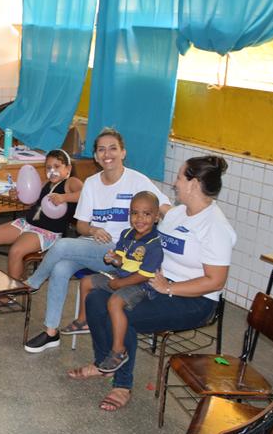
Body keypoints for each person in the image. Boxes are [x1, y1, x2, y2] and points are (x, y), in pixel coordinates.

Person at [71, 156, 236, 412]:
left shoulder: (215, 227)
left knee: (124, 313)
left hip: (194, 300)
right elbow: (145, 234)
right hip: (156, 284)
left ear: (194, 184)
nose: (175, 183)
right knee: (95, 298)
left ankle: (122, 385)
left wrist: (169, 288)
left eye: (179, 177)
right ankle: (105, 363)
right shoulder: (177, 214)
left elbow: (215, 282)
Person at [21, 128, 171, 353]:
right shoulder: (91, 183)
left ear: (123, 152)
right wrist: (93, 229)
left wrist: (185, 222)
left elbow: (165, 207)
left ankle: (33, 282)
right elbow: (81, 226)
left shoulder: (137, 180)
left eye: (113, 148)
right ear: (95, 156)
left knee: (61, 245)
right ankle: (51, 333)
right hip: (93, 247)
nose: (107, 154)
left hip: (123, 254)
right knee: (61, 268)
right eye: (101, 149)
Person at [79, 191, 163, 374]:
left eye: (146, 214)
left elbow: (145, 275)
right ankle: (83, 321)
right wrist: (112, 258)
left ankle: (118, 350)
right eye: (135, 213)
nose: (139, 219)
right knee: (86, 282)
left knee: (115, 302)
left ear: (156, 217)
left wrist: (120, 284)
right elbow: (120, 259)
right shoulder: (127, 234)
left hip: (140, 285)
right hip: (120, 275)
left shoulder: (154, 245)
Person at [0, 149, 83, 283]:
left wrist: (64, 197)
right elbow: (32, 202)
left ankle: (14, 290)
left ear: (68, 169)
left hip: (47, 232)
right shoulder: (46, 183)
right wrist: (18, 196)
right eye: (48, 167)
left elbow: (85, 194)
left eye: (57, 166)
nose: (52, 171)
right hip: (27, 223)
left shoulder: (70, 182)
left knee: (16, 251)